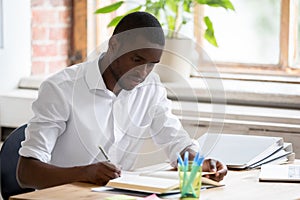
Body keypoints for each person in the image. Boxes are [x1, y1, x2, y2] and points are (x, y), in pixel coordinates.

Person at [17, 11, 227, 190]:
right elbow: (26, 172)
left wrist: (194, 161)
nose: (143, 73)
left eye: (151, 64)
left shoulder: (150, 88)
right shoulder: (61, 88)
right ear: (114, 44)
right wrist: (85, 172)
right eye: (136, 60)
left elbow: (176, 140)